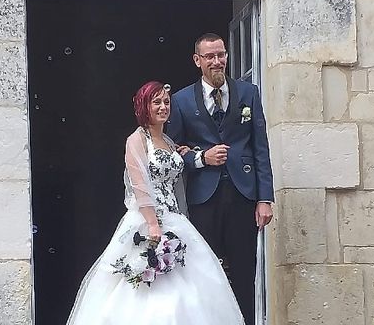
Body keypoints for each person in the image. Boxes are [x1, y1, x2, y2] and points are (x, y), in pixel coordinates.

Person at [66, 81, 244, 325]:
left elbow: (180, 170)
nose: (163, 107)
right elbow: (140, 186)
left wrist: (194, 155)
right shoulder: (136, 140)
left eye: (166, 102)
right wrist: (152, 225)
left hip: (175, 219)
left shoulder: (171, 143)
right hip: (148, 220)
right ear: (144, 106)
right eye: (156, 102)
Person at [166, 33, 274, 325]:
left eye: (221, 55)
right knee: (205, 272)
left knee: (243, 271)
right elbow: (172, 151)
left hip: (243, 195)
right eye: (210, 56)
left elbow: (260, 146)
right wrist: (202, 158)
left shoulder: (249, 93)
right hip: (203, 198)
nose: (217, 61)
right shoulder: (180, 100)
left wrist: (265, 198)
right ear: (197, 60)